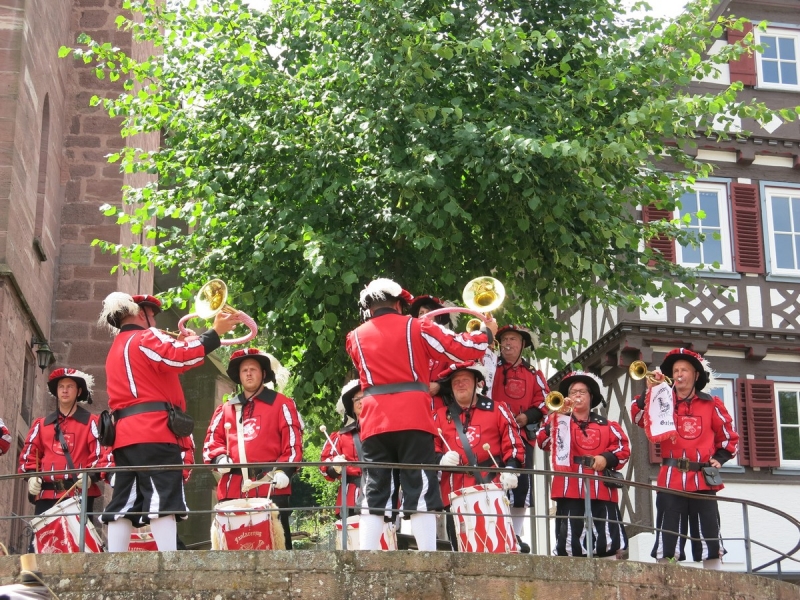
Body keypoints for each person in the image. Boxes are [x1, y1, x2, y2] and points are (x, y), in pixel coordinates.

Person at [346, 278, 497, 551]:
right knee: (420, 485)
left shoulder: (353, 337)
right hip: (413, 416)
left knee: (375, 488)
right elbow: (462, 347)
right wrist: (486, 333)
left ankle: (366, 557)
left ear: (368, 307)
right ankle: (427, 555)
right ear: (398, 303)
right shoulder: (418, 326)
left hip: (373, 419)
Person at [97, 292, 240, 552]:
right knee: (164, 496)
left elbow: (169, 363)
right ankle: (170, 562)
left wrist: (189, 343)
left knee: (124, 500)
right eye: (152, 314)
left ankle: (112, 561)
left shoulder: (116, 348)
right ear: (142, 314)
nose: (154, 319)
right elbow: (176, 356)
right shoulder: (146, 337)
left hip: (124, 436)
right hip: (154, 432)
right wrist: (214, 333)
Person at [631, 348, 739, 569]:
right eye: (676, 370)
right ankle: (665, 575)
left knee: (708, 529)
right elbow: (638, 416)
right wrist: (650, 392)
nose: (679, 374)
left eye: (684, 370)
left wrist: (721, 457)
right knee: (668, 529)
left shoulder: (712, 404)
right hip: (670, 477)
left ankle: (714, 579)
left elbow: (728, 436)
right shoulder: (662, 401)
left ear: (696, 375)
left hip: (702, 478)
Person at [203, 348, 303, 549]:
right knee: (232, 549)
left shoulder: (282, 404)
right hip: (234, 486)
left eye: (253, 369)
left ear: (263, 374)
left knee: (277, 548)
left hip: (271, 485)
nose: (248, 373)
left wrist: (285, 471)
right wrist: (219, 458)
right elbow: (212, 442)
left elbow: (292, 444)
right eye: (244, 370)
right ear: (239, 376)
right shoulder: (225, 409)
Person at [433, 361, 525, 551]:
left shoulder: (498, 409)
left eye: (465, 380)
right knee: (458, 549)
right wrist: (439, 460)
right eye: (455, 381)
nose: (460, 384)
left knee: (496, 547)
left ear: (477, 383)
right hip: (453, 492)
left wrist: (511, 469)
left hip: (490, 488)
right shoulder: (439, 416)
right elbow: (427, 450)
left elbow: (514, 443)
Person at [536, 371, 629, 558]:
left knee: (607, 533)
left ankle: (609, 564)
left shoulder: (607, 425)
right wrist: (556, 418)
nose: (577, 396)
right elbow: (543, 442)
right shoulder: (559, 422)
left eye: (582, 392)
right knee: (570, 533)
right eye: (573, 392)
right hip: (569, 485)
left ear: (591, 396)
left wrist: (606, 458)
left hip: (600, 484)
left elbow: (623, 449)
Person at [491, 324, 548, 553]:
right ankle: (493, 530)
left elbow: (544, 401)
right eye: (504, 338)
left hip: (522, 435)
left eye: (513, 339)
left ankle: (514, 534)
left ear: (522, 344)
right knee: (492, 481)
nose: (508, 343)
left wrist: (527, 416)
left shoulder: (534, 374)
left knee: (521, 486)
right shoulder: (489, 367)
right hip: (492, 434)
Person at [19, 368, 104, 520]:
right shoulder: (41, 424)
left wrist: (91, 475)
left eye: (70, 386)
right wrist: (31, 476)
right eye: (61, 387)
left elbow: (100, 455)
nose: (65, 391)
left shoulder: (92, 423)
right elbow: (29, 455)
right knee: (44, 543)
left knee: (77, 543)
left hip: (78, 495)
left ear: (78, 392)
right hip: (46, 497)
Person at [320, 380, 365, 517]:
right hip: (351, 497)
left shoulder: (386, 434)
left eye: (365, 397)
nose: (361, 402)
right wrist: (335, 467)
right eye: (357, 399)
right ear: (352, 406)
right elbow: (326, 470)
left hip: (383, 493)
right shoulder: (341, 437)